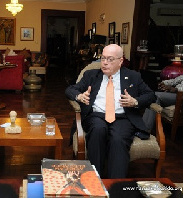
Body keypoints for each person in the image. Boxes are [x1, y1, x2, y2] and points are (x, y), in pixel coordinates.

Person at [65, 44, 156, 179]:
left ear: (120, 61)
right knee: (98, 130)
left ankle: (116, 184)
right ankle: (95, 179)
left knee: (118, 139)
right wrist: (79, 96)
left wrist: (135, 101)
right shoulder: (91, 75)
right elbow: (70, 89)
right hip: (96, 115)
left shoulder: (133, 76)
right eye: (103, 58)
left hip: (123, 117)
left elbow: (151, 95)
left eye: (110, 59)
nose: (105, 63)